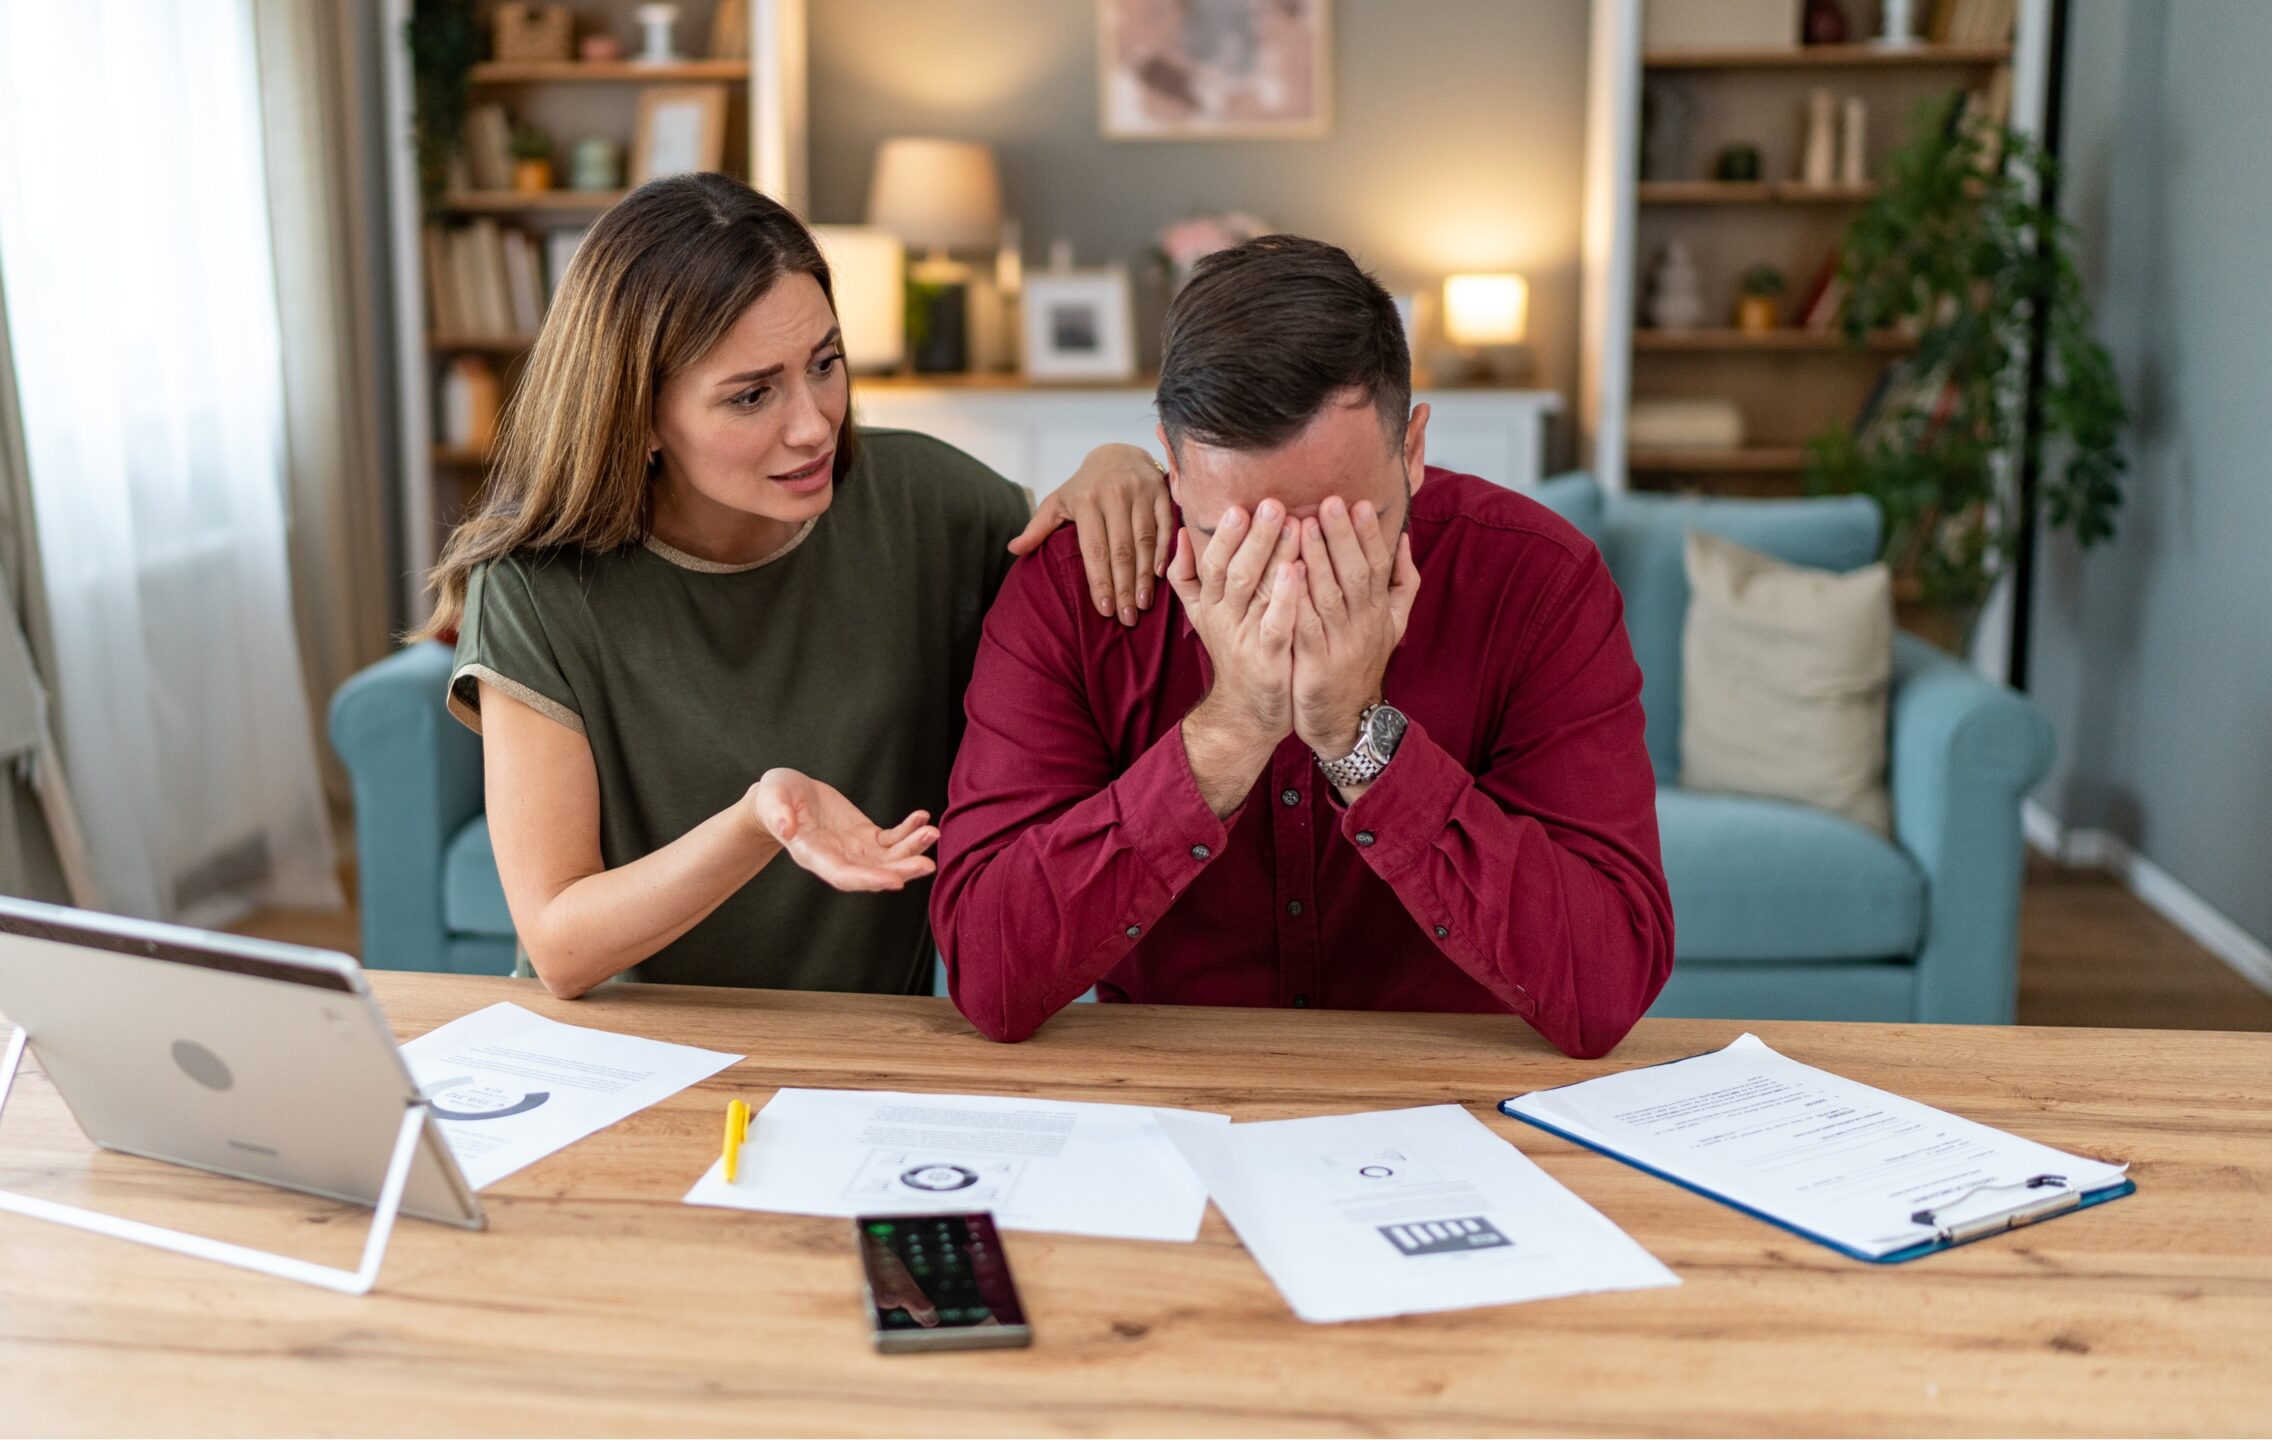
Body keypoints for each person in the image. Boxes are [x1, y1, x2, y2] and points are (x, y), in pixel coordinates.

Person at [423, 173, 1172, 999]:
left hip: (861, 1050)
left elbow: (1093, 638)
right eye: (752, 395)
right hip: (622, 1050)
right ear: (637, 418)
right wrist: (761, 823)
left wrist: (1119, 464)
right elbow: (560, 945)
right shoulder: (536, 585)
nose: (814, 423)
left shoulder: (937, 508)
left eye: (825, 364)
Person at [930, 235, 1673, 1058]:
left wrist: (1364, 740)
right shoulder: (1078, 588)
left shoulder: (1538, 581)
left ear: (1413, 450)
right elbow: (990, 977)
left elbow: (1605, 988)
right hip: (1171, 1102)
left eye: (1339, 534)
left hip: (1452, 1098)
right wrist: (1230, 730)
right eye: (1235, 539)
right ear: (1173, 469)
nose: (1291, 584)